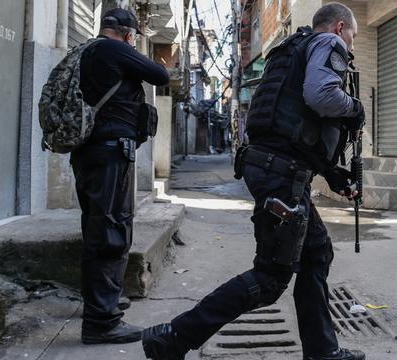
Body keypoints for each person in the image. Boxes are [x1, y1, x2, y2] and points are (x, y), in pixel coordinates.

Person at [142, 3, 366, 360]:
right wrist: (355, 108)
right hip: (282, 176)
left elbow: (291, 131)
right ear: (340, 28)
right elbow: (322, 95)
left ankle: (323, 352)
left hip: (274, 166)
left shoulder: (292, 50)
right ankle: (174, 336)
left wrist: (331, 174)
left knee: (316, 254)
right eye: (351, 37)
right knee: (271, 277)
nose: (351, 47)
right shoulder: (327, 43)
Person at [70, 8, 169, 344]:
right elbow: (160, 74)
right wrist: (131, 46)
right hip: (110, 152)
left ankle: (99, 304)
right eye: (133, 37)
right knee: (112, 231)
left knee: (96, 228)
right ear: (128, 34)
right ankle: (101, 323)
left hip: (88, 153)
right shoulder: (114, 48)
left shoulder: (85, 51)